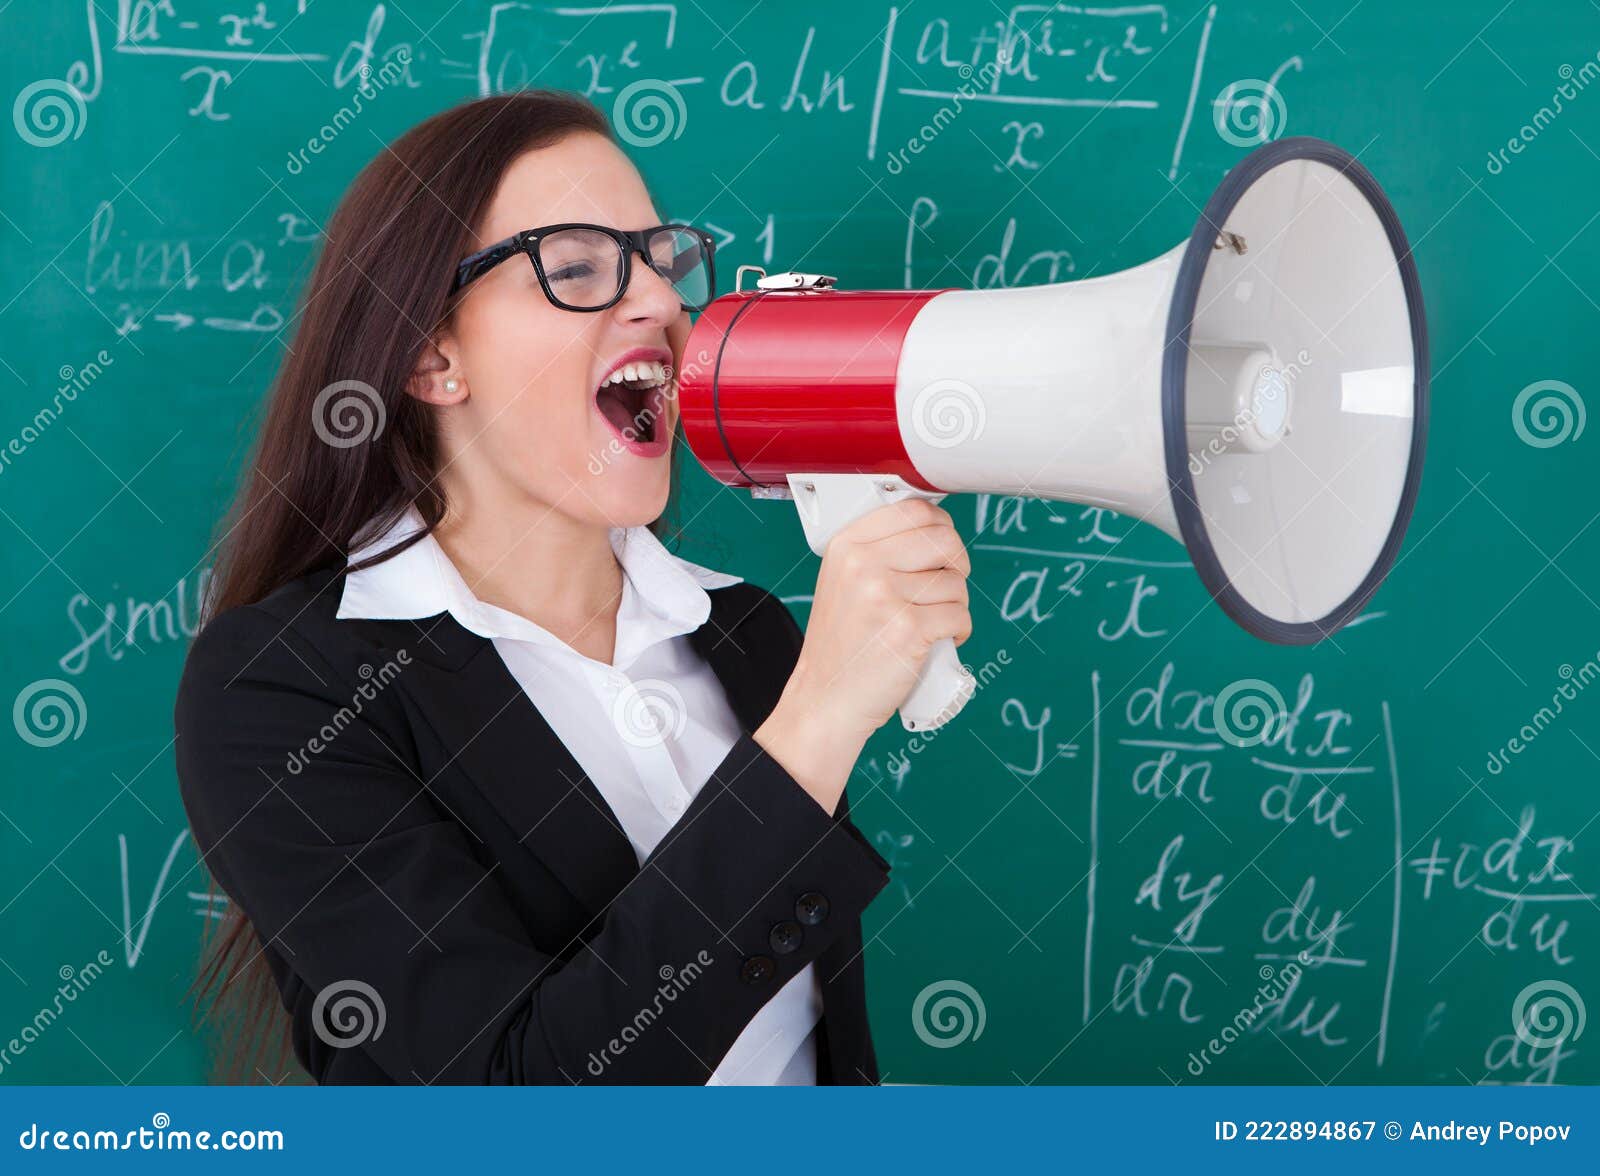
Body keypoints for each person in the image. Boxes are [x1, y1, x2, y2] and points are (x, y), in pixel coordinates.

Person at [174, 90, 971, 1085]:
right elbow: (523, 1096)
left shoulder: (742, 633)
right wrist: (813, 725)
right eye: (580, 268)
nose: (659, 303)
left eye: (660, 261)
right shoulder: (283, 691)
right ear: (430, 354)